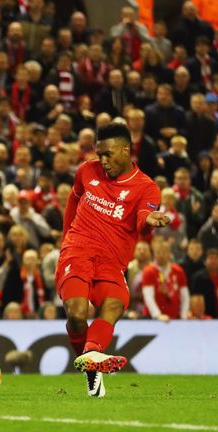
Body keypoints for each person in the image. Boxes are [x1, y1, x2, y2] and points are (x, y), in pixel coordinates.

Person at [56, 123, 170, 398]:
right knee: (77, 314)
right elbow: (73, 200)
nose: (102, 161)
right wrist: (65, 241)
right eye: (99, 154)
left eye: (108, 154)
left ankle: (91, 357)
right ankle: (92, 359)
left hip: (112, 261)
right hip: (78, 250)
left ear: (126, 150)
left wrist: (150, 221)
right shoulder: (87, 170)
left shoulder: (146, 187)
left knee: (115, 304)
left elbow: (143, 217)